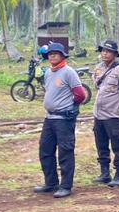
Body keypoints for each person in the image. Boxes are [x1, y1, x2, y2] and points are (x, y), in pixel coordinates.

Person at [28, 42, 86, 198]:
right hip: (49, 118)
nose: (52, 56)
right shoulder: (48, 72)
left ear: (62, 56)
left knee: (65, 152)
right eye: (50, 54)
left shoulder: (69, 72)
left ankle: (66, 186)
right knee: (45, 150)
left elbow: (80, 94)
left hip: (63, 119)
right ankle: (51, 182)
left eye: (56, 54)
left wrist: (70, 107)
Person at [92, 40, 119, 187]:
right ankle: (104, 173)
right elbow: (97, 87)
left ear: (115, 54)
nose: (105, 53)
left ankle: (118, 174)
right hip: (99, 114)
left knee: (118, 146)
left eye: (108, 51)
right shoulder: (98, 69)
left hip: (113, 115)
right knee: (101, 144)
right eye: (103, 50)